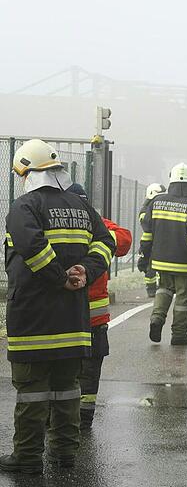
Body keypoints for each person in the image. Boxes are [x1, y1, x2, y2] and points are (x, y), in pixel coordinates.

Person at [0, 140, 115, 474]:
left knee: (32, 392)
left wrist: (59, 277)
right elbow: (106, 242)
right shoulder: (81, 207)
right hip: (73, 317)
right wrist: (85, 271)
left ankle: (27, 457)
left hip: (33, 316)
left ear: (27, 172)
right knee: (68, 390)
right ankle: (65, 455)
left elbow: (31, 245)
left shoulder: (24, 207)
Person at [66, 184, 132, 429]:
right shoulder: (97, 224)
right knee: (85, 370)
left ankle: (77, 418)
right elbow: (122, 240)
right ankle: (78, 418)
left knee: (77, 369)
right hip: (88, 317)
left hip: (78, 315)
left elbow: (124, 239)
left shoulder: (95, 224)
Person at [139, 163, 187, 346]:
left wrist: (144, 256)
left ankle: (156, 319)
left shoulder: (156, 202)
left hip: (160, 260)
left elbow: (147, 234)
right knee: (183, 297)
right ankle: (178, 334)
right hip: (184, 263)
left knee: (164, 289)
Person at [139, 183, 165, 298]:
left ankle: (158, 287)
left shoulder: (156, 205)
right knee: (150, 266)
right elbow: (147, 226)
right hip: (152, 241)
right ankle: (151, 288)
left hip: (158, 240)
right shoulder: (146, 209)